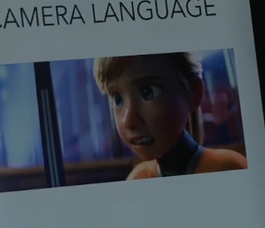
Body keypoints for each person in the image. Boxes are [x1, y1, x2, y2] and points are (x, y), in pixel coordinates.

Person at [93, 52, 247, 179]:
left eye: (148, 92)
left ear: (193, 93)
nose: (128, 120)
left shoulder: (228, 168)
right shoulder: (138, 178)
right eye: (117, 99)